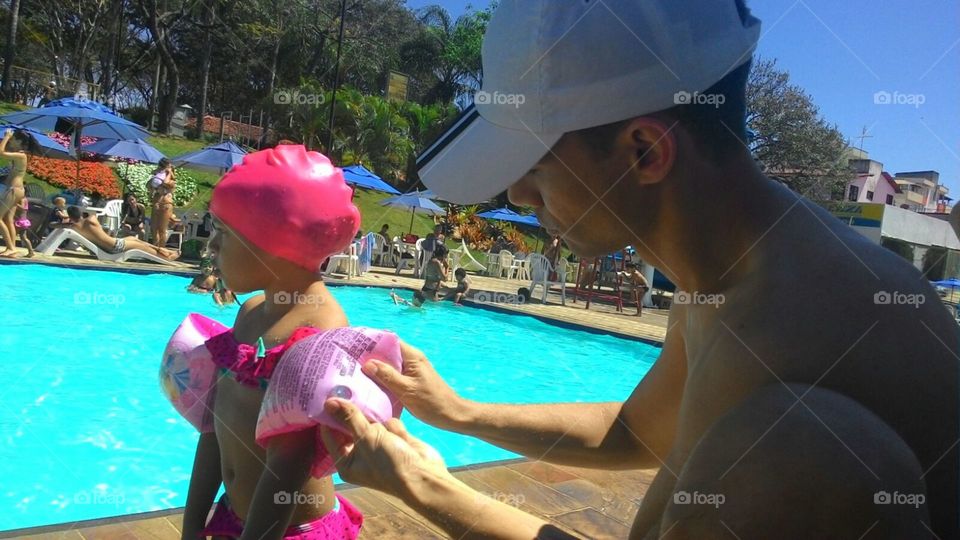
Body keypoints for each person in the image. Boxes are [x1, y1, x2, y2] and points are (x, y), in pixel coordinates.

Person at [321, 2, 958, 538]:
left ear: (646, 151)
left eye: (534, 165)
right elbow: (637, 431)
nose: (516, 195)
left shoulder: (796, 417)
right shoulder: (737, 273)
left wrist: (424, 487)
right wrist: (458, 413)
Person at [176, 144, 364, 539]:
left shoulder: (318, 333)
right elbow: (215, 425)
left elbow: (288, 469)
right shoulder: (251, 313)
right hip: (236, 520)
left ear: (275, 241)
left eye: (224, 233)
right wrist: (192, 526)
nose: (212, 246)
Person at [56, 206, 180, 260]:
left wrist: (65, 220)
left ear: (71, 217)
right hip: (115, 246)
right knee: (143, 246)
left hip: (111, 247)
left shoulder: (74, 227)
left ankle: (162, 250)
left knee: (134, 238)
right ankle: (167, 257)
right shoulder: (91, 219)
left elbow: (53, 225)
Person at [0, 129, 28, 257]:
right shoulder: (18, 154)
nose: (11, 140)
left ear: (20, 141)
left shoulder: (21, 155)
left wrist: (6, 137)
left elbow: (1, 152)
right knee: (8, 219)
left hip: (14, 189)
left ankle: (11, 248)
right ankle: (12, 249)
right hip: (15, 189)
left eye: (13, 139)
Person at [148, 158, 180, 248]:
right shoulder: (157, 177)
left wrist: (169, 172)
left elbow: (166, 182)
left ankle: (161, 248)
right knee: (153, 228)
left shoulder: (172, 181)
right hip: (156, 203)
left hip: (166, 204)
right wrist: (154, 177)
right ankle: (155, 246)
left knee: (162, 229)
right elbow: (149, 185)